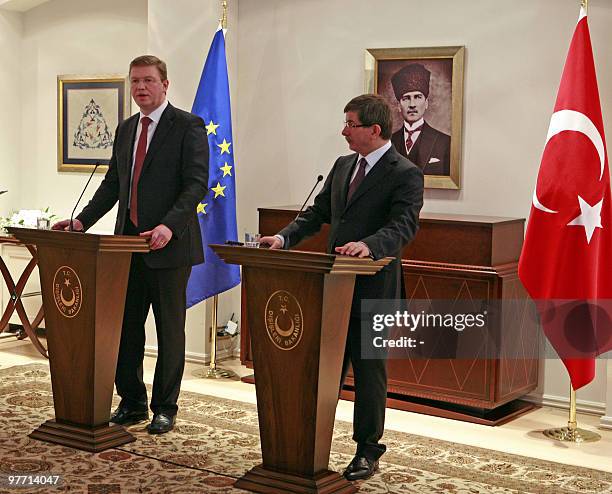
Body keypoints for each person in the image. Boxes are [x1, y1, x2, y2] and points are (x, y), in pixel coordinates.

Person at [260, 94, 424, 481]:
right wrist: (282, 239)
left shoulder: (405, 173)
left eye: (350, 124)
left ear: (374, 129)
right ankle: (310, 445)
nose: (344, 130)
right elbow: (317, 214)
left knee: (369, 376)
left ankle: (368, 450)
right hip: (331, 292)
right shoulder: (343, 165)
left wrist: (369, 246)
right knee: (325, 373)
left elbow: (404, 225)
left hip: (374, 290)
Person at [52, 55, 209, 434]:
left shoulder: (188, 126)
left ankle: (164, 407)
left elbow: (196, 185)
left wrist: (169, 227)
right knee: (125, 328)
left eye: (148, 81)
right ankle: (133, 401)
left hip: (168, 247)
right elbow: (112, 185)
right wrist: (82, 221)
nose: (140, 88)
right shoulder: (125, 129)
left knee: (170, 331)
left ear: (165, 84)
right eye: (135, 81)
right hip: (125, 247)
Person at [390, 63, 451, 176]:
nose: (412, 104)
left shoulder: (445, 142)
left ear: (426, 103)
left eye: (418, 97)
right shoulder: (388, 142)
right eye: (406, 98)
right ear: (399, 105)